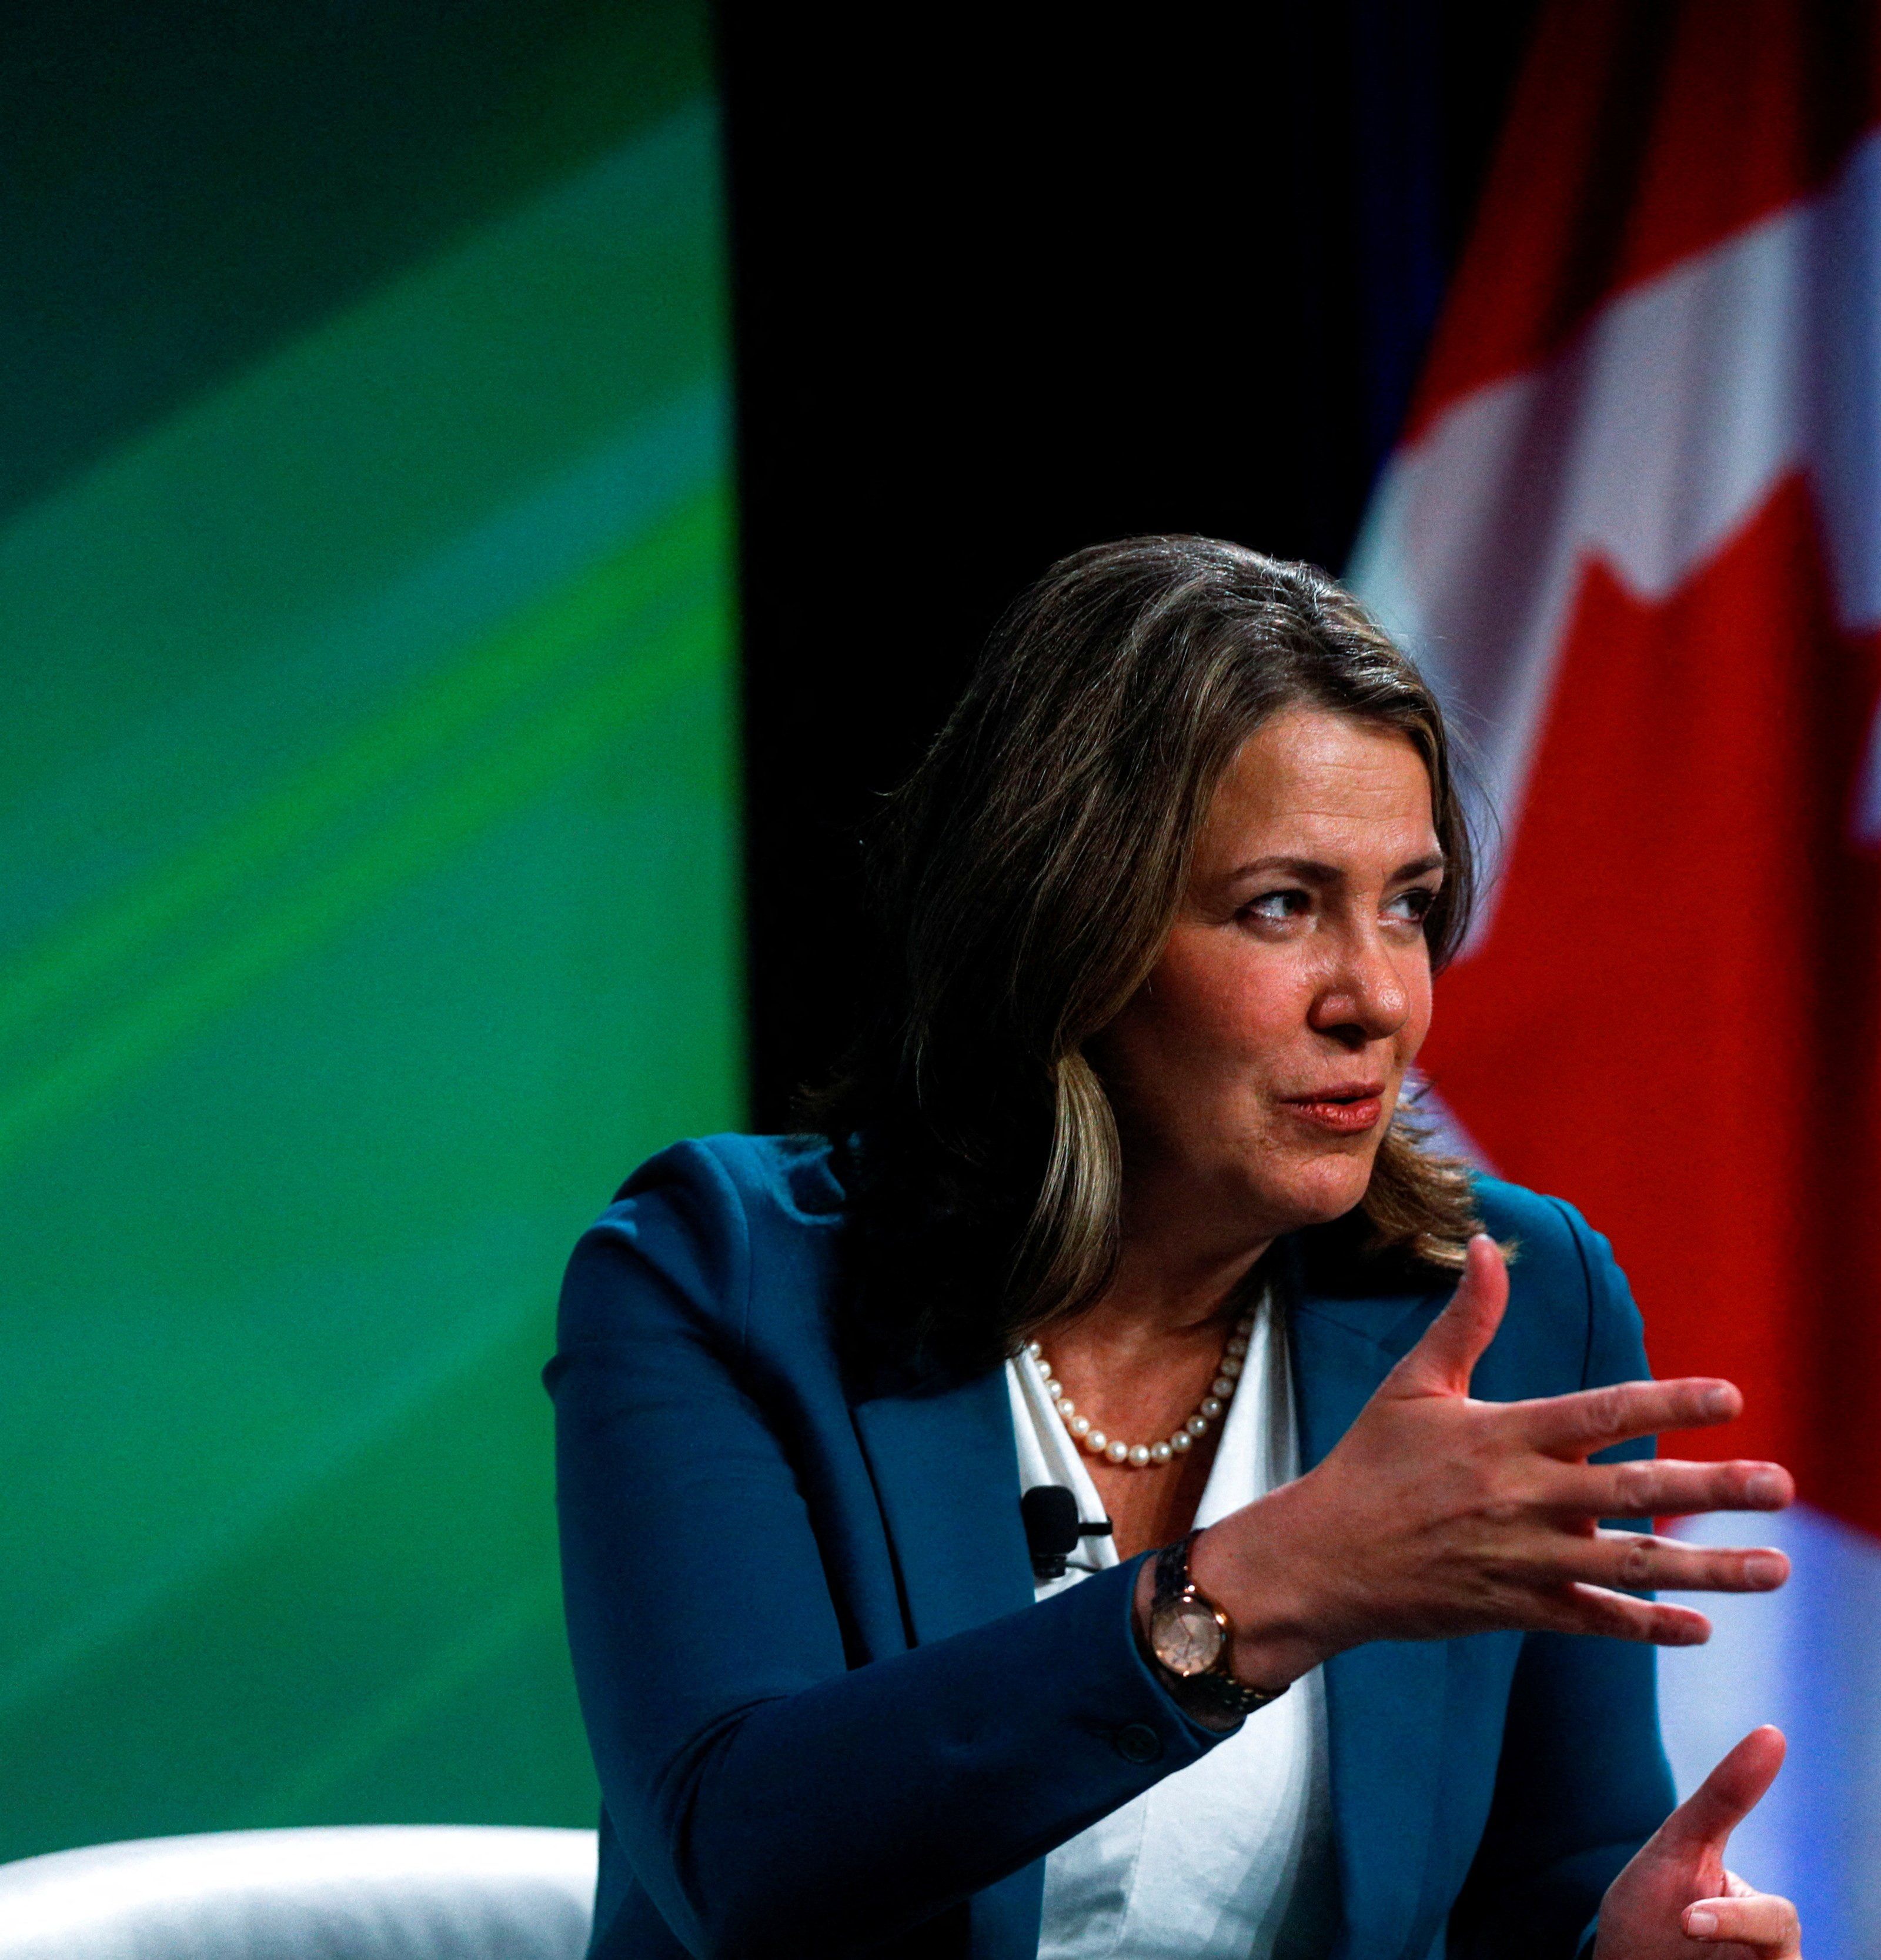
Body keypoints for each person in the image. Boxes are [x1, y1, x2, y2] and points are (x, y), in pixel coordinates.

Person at [549, 537, 1803, 1960]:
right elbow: (739, 1851)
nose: (1378, 996)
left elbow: (1547, 1879)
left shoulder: (1506, 1299)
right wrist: (1261, 1586)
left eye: (1406, 902)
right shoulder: (721, 1276)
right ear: (1070, 925)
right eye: (1282, 904)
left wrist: (1624, 1950)